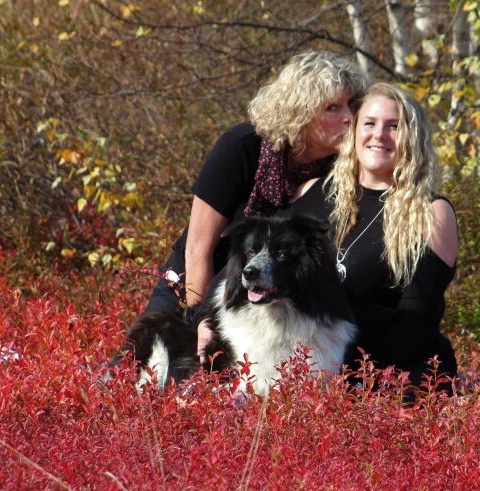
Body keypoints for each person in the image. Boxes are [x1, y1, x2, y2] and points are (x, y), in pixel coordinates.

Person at [143, 51, 367, 363]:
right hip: (193, 290)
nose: (349, 117)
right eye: (333, 108)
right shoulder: (241, 147)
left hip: (264, 304)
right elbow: (197, 249)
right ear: (300, 112)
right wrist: (201, 321)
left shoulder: (343, 170)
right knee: (147, 381)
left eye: (351, 106)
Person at [282, 82, 459, 390]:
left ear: (411, 138)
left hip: (398, 375)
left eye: (394, 126)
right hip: (311, 370)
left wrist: (353, 381)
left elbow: (417, 320)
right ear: (353, 130)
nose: (379, 135)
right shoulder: (313, 192)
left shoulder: (431, 212)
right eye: (370, 123)